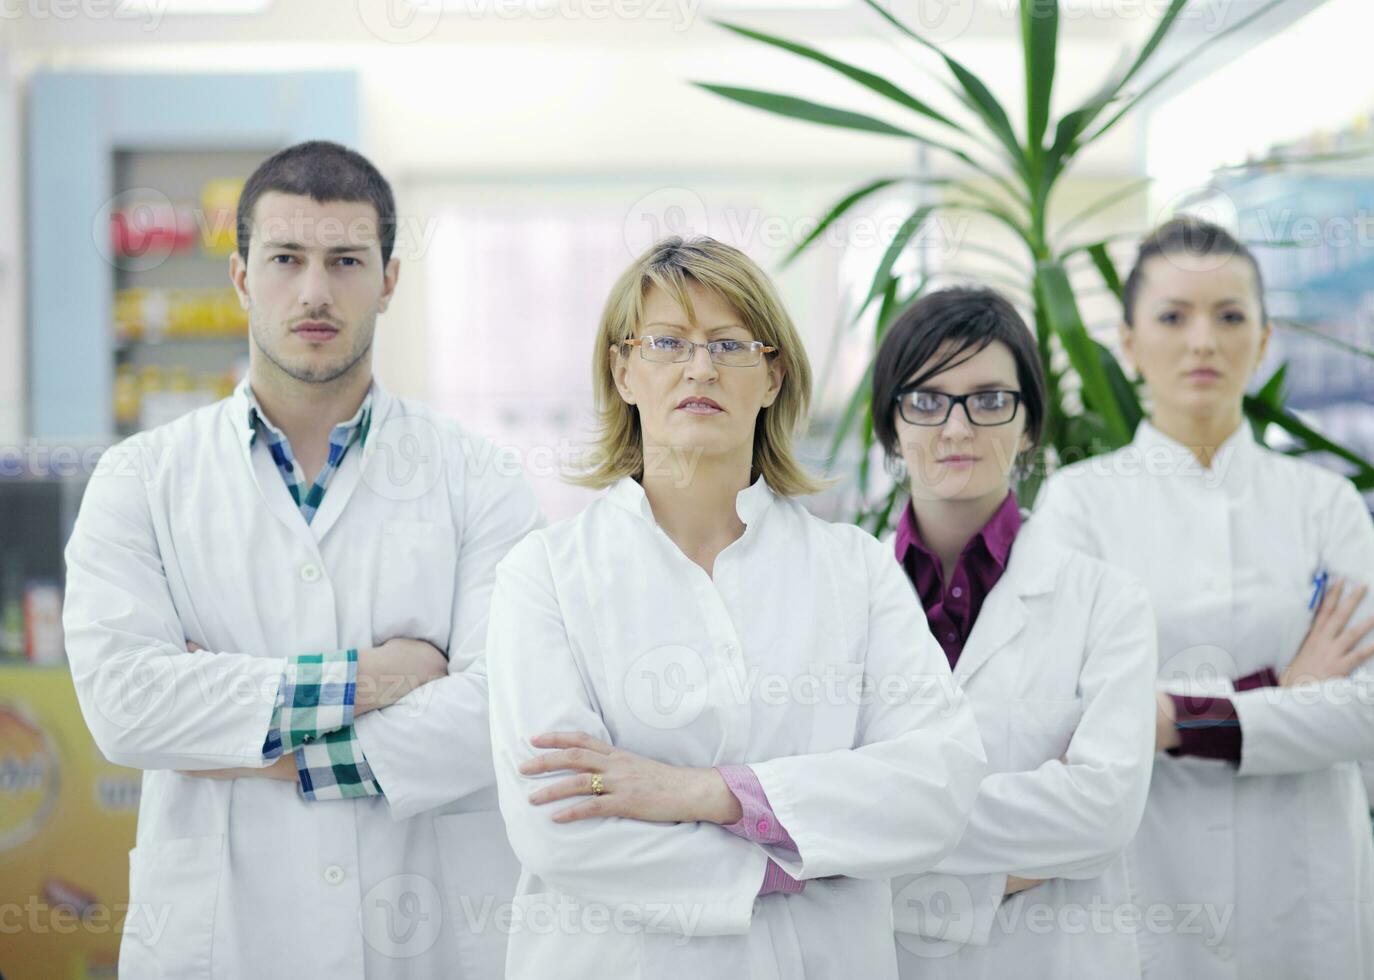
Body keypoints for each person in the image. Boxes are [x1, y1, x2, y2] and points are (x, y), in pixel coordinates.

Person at [62, 140, 543, 978]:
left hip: (422, 937)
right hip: (222, 940)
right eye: (286, 258)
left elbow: (501, 714)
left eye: (346, 260)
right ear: (243, 278)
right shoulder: (140, 478)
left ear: (389, 280)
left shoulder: (482, 479)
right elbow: (125, 704)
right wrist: (381, 677)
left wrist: (241, 740)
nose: (315, 291)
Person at [483, 236, 988, 979]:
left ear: (773, 375)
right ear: (622, 371)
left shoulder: (854, 570)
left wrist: (708, 794)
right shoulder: (545, 575)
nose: (700, 367)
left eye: (730, 343)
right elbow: (559, 825)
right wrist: (806, 855)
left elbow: (938, 789)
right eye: (666, 342)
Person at [1031, 216, 1374, 979]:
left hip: (1302, 893)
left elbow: (1371, 709)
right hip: (1145, 890)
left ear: (1264, 340)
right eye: (1173, 317)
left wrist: (1171, 718)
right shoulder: (1078, 504)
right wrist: (1279, 691)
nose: (1202, 340)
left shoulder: (1325, 504)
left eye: (1229, 316)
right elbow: (1063, 712)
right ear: (1130, 344)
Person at [870, 287, 1156, 978]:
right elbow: (810, 814)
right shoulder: (839, 600)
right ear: (891, 424)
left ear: (1029, 425)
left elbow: (1103, 813)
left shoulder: (1107, 603)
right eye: (927, 399)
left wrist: (880, 827)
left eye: (990, 399)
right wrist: (1012, 861)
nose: (958, 428)